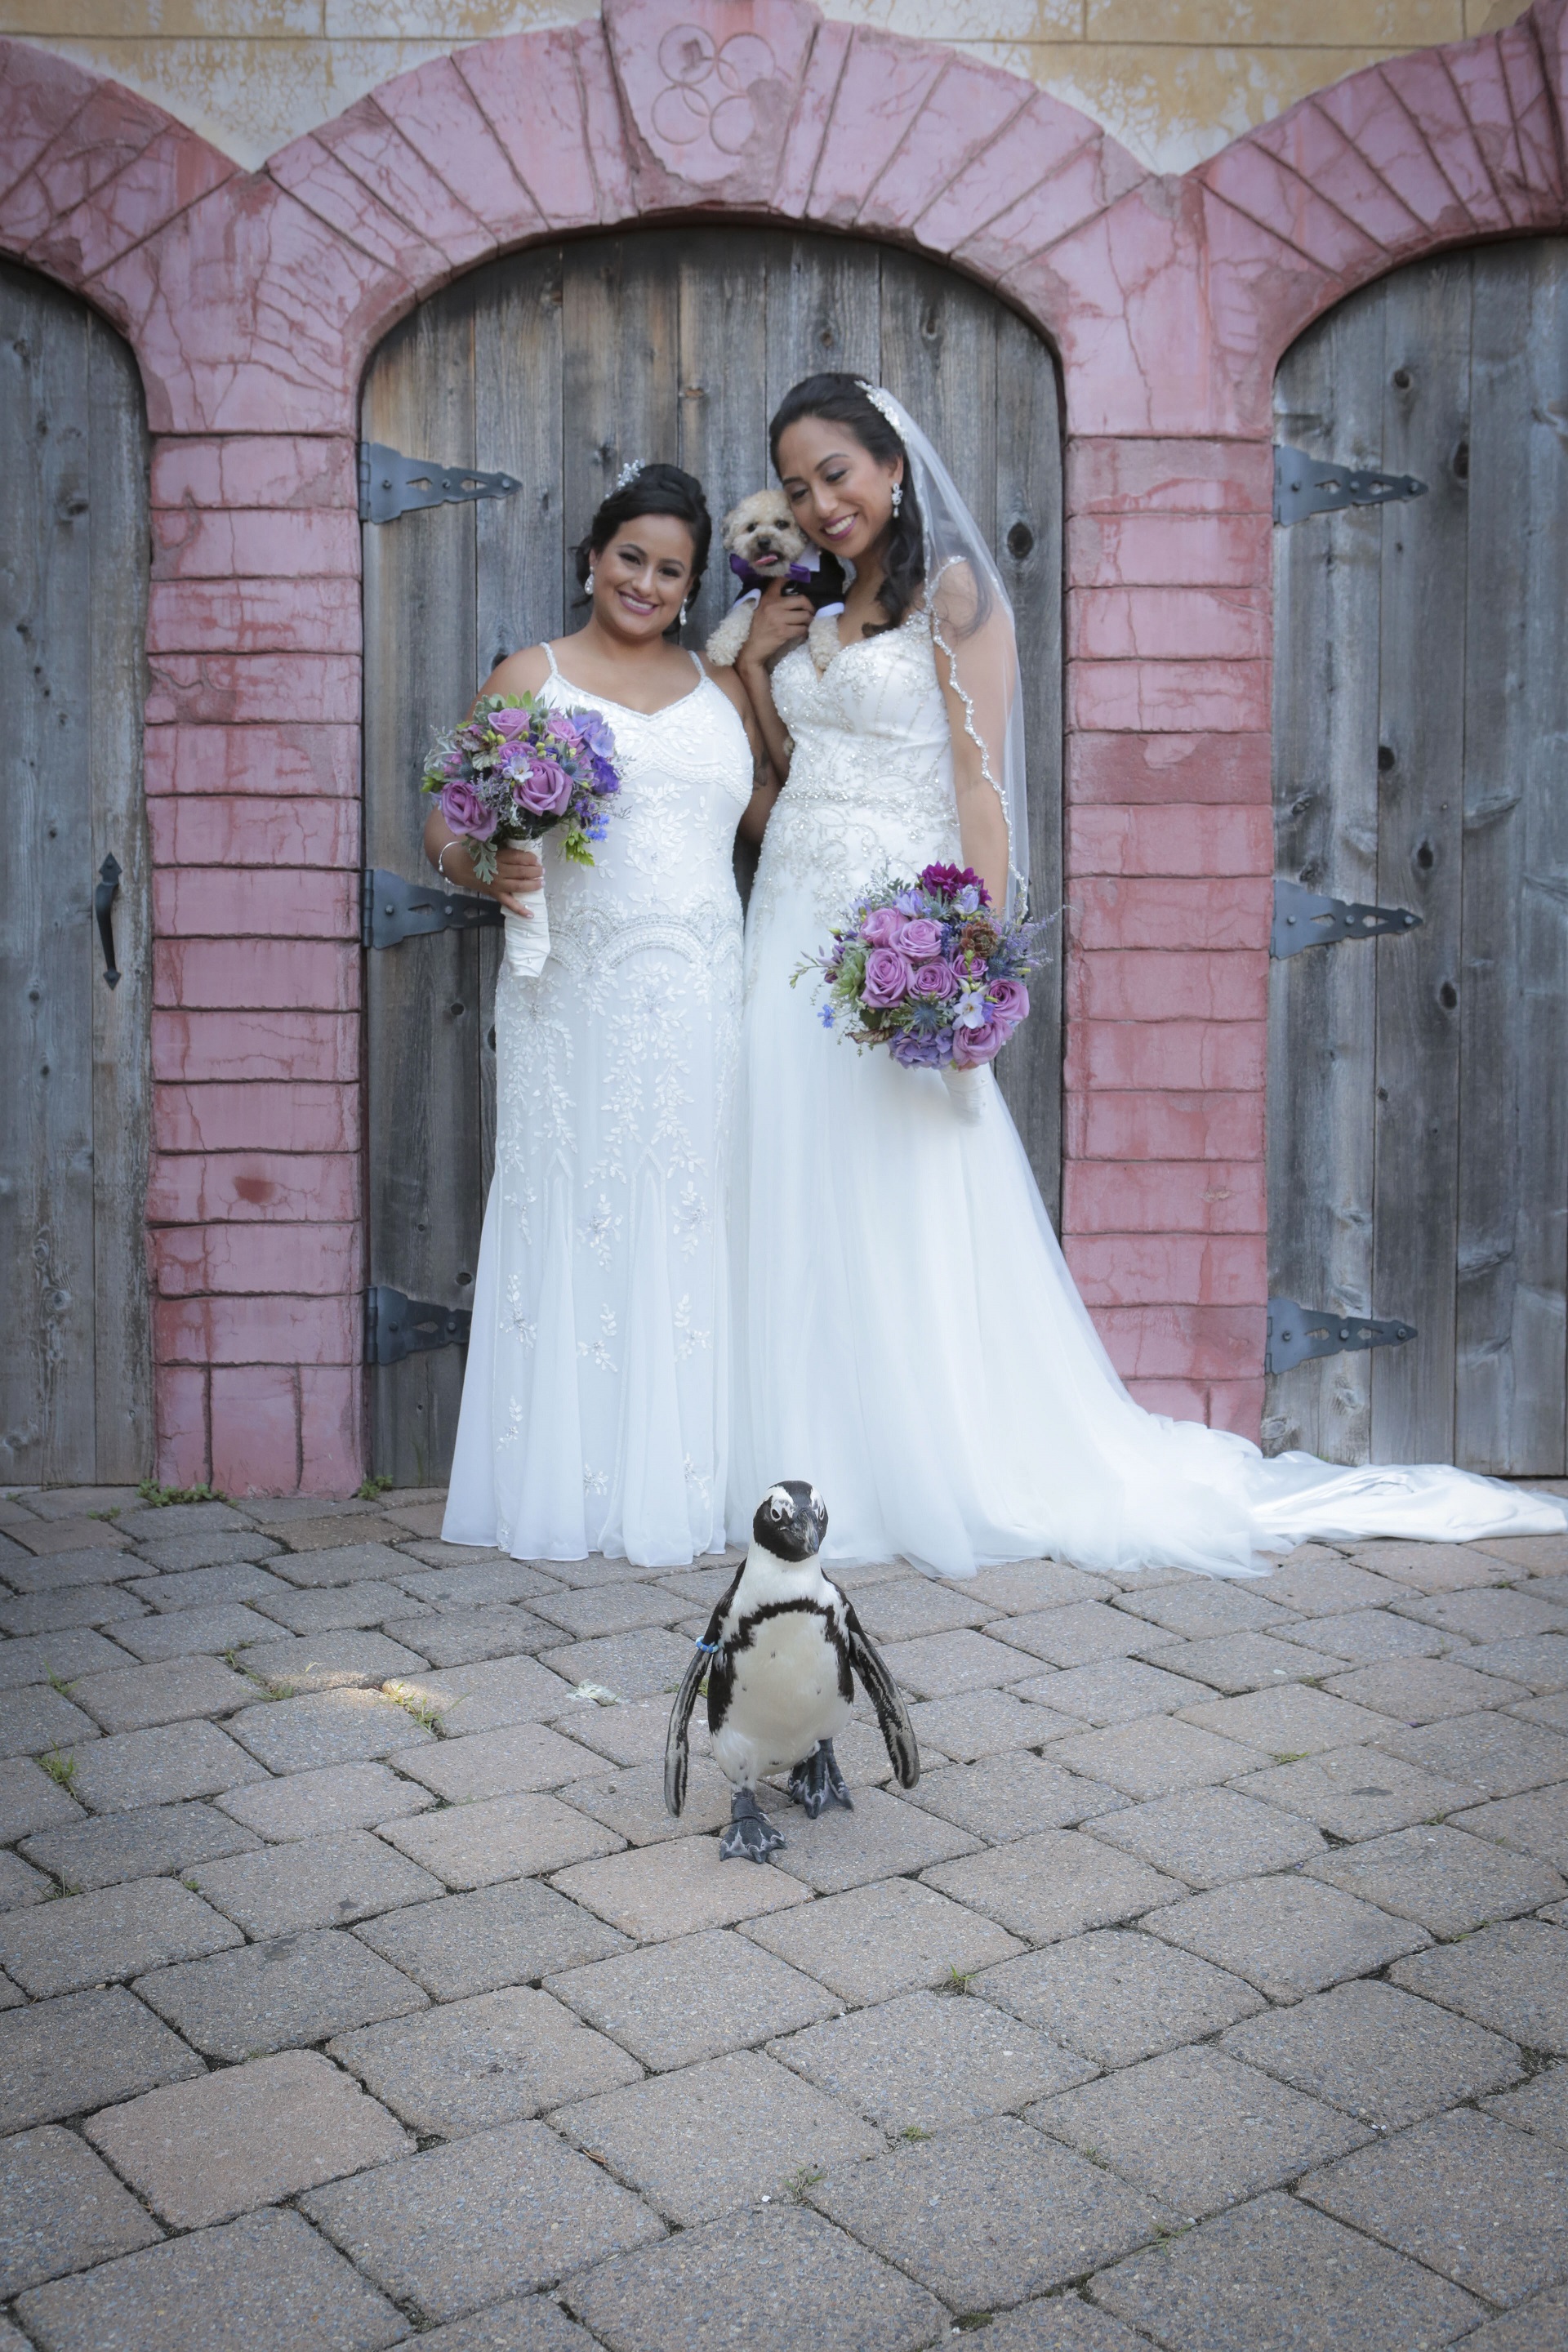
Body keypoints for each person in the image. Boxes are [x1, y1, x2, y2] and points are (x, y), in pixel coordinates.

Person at [727, 374, 1566, 1576]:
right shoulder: (810, 612)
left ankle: (920, 1457)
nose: (818, 505)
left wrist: (977, 957)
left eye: (836, 476)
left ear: (894, 466)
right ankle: (803, 1449)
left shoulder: (952, 596)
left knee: (900, 1174)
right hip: (794, 922)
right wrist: (760, 669)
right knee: (797, 1166)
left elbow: (978, 783)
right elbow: (792, 772)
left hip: (892, 924)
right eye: (798, 487)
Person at [430, 463, 771, 1566]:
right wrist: (486, 870)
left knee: (689, 1207)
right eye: (631, 556)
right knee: (574, 1197)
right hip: (571, 994)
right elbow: (445, 820)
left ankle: (687, 1479)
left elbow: (775, 820)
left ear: (690, 586)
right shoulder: (532, 675)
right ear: (593, 555)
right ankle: (562, 1481)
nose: (647, 582)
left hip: (704, 999)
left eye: (672, 570)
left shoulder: (720, 694)